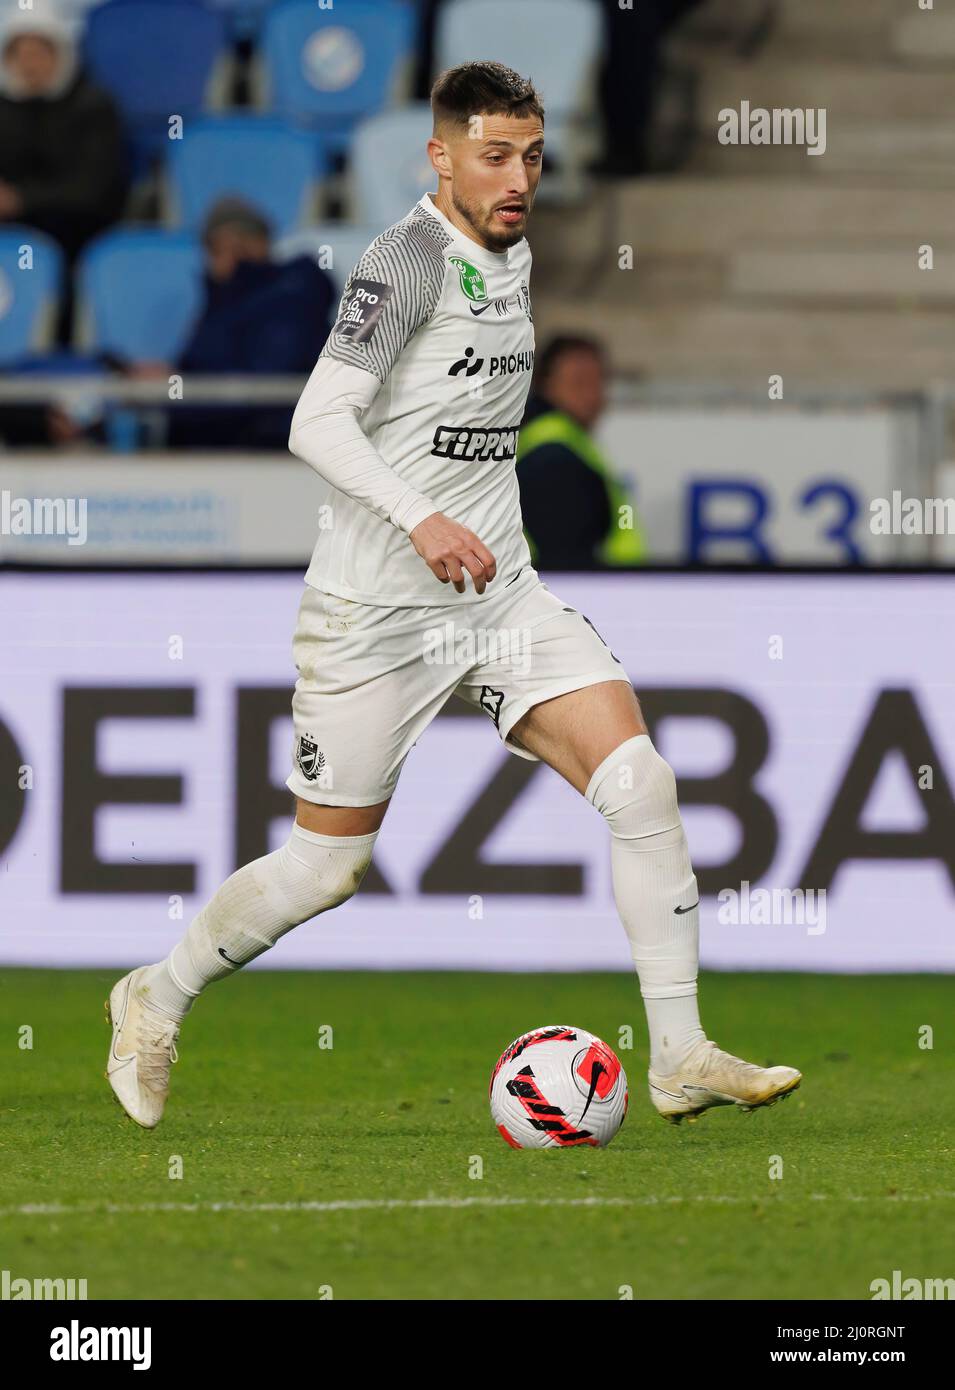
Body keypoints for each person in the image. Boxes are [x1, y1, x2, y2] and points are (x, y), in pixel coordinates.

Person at [105, 60, 800, 1131]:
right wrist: (420, 517)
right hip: (376, 611)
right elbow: (315, 423)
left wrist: (465, 530)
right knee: (324, 867)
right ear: (440, 157)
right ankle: (155, 993)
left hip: (494, 598)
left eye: (530, 154)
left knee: (641, 784)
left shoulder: (512, 250)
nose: (518, 175)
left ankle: (677, 1054)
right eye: (493, 155)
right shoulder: (405, 262)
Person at [161, 199, 336, 450]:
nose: (225, 255)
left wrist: (173, 393)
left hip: (266, 454)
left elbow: (258, 389)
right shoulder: (225, 300)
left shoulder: (291, 299)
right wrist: (170, 383)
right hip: (218, 449)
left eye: (233, 244)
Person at [0, 3, 126, 261]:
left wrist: (22, 199)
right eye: (20, 55)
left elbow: (92, 189)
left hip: (77, 236)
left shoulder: (94, 108)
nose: (30, 65)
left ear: (61, 55)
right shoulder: (4, 109)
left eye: (38, 54)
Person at [518, 335, 646, 569]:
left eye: (599, 382)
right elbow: (566, 560)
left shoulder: (569, 441)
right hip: (589, 596)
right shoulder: (553, 456)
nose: (593, 395)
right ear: (545, 386)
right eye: (579, 382)